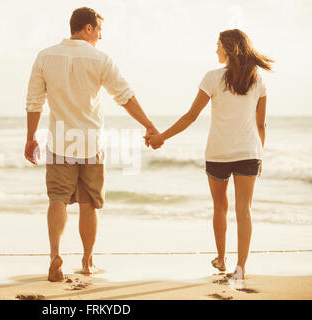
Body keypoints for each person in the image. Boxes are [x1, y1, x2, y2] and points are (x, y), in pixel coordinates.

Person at [25, 7, 160, 282]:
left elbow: (34, 101)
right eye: (98, 29)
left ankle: (54, 256)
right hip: (90, 143)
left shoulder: (45, 56)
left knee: (57, 199)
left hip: (60, 141)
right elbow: (125, 97)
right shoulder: (100, 58)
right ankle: (87, 263)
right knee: (89, 204)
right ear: (87, 28)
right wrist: (148, 125)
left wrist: (31, 138)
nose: (101, 34)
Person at [147, 29, 273, 280]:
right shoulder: (257, 80)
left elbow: (191, 116)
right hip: (249, 152)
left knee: (220, 206)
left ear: (228, 48)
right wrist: (260, 154)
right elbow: (261, 125)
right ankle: (240, 268)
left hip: (218, 154)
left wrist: (161, 137)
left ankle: (222, 259)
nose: (215, 50)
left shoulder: (212, 78)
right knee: (244, 210)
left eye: (217, 45)